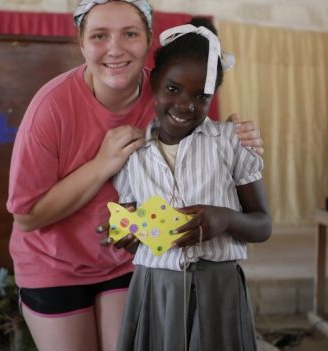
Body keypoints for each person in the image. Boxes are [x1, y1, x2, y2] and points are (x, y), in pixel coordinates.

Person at [6, 1, 263, 351]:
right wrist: (102, 163)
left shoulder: (169, 89)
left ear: (148, 41)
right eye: (99, 36)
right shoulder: (51, 108)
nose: (115, 48)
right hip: (54, 264)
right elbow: (26, 215)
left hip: (126, 262)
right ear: (82, 43)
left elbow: (208, 145)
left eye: (129, 34)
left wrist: (239, 134)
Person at [111, 17, 272, 351]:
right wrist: (124, 232)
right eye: (173, 89)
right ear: (155, 80)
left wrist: (226, 218)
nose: (185, 105)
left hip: (218, 288)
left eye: (201, 96)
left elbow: (262, 224)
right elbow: (130, 232)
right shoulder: (131, 154)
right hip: (156, 289)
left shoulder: (231, 143)